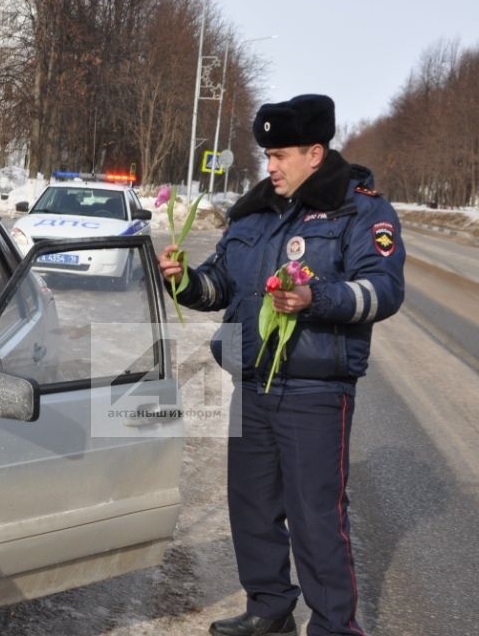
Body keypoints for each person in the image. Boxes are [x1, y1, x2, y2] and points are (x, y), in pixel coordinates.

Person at [158, 95, 405, 636]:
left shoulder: (359, 211)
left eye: (281, 154)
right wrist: (183, 281)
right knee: (251, 508)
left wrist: (318, 298)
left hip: (314, 391)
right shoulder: (254, 214)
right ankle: (269, 609)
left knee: (316, 517)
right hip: (250, 381)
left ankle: (334, 626)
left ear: (315, 153)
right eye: (267, 154)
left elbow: (384, 291)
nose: (270, 165)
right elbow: (219, 283)